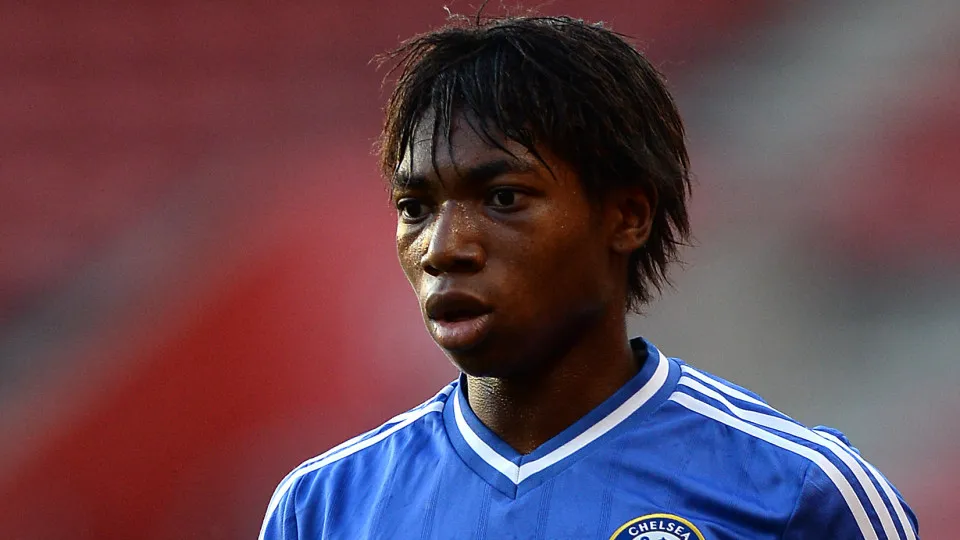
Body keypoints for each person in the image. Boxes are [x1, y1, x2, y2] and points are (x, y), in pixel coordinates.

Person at [260, 15, 919, 540]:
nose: (443, 247)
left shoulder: (801, 495)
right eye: (415, 208)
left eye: (504, 198)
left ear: (627, 216)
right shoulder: (321, 509)